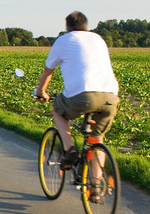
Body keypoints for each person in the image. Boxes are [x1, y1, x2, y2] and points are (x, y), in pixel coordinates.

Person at [35, 11, 119, 202]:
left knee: (58, 110)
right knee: (96, 140)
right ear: (86, 25)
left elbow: (48, 71)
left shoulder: (63, 41)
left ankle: (70, 149)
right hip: (110, 96)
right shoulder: (98, 39)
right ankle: (96, 188)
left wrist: (41, 92)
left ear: (67, 27)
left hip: (82, 94)